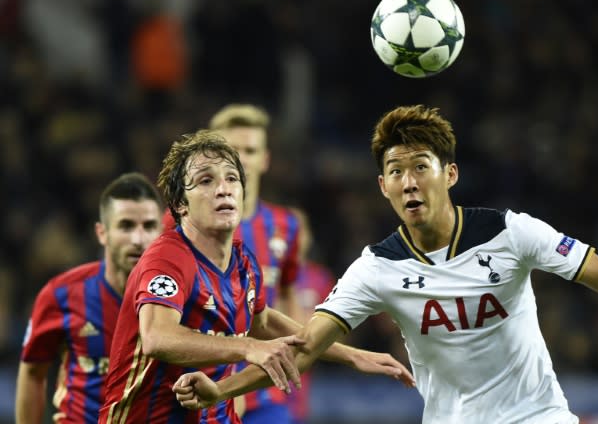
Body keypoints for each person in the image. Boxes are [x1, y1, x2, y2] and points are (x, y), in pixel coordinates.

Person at [173, 105, 598, 423]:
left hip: (538, 415)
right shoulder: (375, 268)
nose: (410, 181)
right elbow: (301, 348)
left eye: (421, 165)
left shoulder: (511, 232)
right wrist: (221, 392)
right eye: (397, 171)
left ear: (448, 174)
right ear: (382, 186)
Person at [99, 130, 413, 423]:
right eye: (205, 181)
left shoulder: (243, 261)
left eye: (232, 179)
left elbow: (261, 321)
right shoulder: (167, 256)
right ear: (181, 204)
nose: (223, 189)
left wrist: (349, 355)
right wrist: (248, 347)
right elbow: (157, 338)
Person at [16, 172, 164, 424]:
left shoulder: (182, 296)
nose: (138, 239)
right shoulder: (61, 294)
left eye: (149, 226)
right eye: (126, 226)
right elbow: (32, 372)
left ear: (162, 232)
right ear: (102, 233)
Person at [208, 104, 304, 422]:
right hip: (206, 390)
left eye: (250, 150)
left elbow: (288, 290)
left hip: (268, 393)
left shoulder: (286, 225)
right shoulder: (180, 224)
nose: (241, 158)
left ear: (264, 159)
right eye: (231, 150)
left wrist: (298, 349)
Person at [286, 207, 336, 424]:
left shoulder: (321, 278)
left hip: (306, 379)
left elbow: (341, 332)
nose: (295, 236)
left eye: (300, 230)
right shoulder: (260, 273)